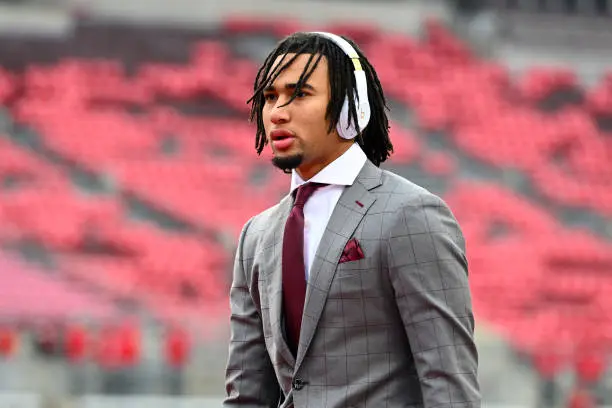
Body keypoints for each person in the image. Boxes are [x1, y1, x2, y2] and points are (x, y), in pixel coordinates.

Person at [224, 31, 480, 408]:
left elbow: (449, 383)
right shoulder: (256, 235)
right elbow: (246, 395)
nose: (277, 111)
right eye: (270, 96)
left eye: (299, 94)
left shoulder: (411, 215)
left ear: (351, 108)